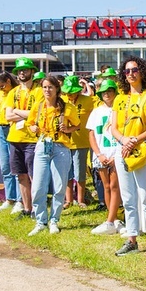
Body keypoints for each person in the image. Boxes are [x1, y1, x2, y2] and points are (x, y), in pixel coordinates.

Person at [110, 56, 146, 258]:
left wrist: (134, 141)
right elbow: (113, 128)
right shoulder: (119, 98)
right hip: (122, 150)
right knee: (129, 198)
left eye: (134, 70)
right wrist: (124, 140)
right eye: (127, 71)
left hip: (145, 150)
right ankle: (132, 239)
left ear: (141, 71)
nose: (130, 74)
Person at [27, 76, 80, 235]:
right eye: (44, 87)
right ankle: (40, 220)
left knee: (59, 186)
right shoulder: (38, 106)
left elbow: (77, 125)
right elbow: (30, 123)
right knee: (38, 186)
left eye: (50, 87)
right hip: (43, 145)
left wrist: (68, 129)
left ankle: (54, 220)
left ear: (57, 89)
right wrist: (33, 129)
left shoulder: (67, 108)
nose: (47, 90)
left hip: (61, 147)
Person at [5, 57, 44, 218]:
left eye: (25, 69)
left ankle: (37, 209)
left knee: (34, 175)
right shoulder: (13, 92)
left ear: (32, 72)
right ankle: (27, 209)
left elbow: (38, 114)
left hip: (32, 139)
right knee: (20, 175)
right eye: (20, 70)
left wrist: (17, 112)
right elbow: (7, 116)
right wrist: (27, 115)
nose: (22, 72)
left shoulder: (39, 91)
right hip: (15, 138)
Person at [87, 79, 123, 235]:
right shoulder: (96, 111)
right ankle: (113, 219)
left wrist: (116, 155)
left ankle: (112, 219)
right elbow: (92, 134)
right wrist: (98, 154)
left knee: (115, 186)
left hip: (116, 153)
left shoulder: (120, 109)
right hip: (101, 154)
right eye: (104, 92)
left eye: (110, 91)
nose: (107, 94)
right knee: (106, 186)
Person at [0, 71, 24, 213]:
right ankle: (9, 198)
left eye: (2, 86)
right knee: (4, 165)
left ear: (8, 82)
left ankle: (19, 199)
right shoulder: (0, 95)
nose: (0, 90)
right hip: (0, 129)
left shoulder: (16, 93)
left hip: (13, 128)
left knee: (15, 165)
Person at [62, 75, 94, 208]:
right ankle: (68, 200)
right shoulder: (61, 101)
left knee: (80, 171)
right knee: (67, 172)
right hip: (64, 141)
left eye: (72, 92)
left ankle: (80, 199)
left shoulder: (89, 101)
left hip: (82, 141)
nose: (70, 94)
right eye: (68, 92)